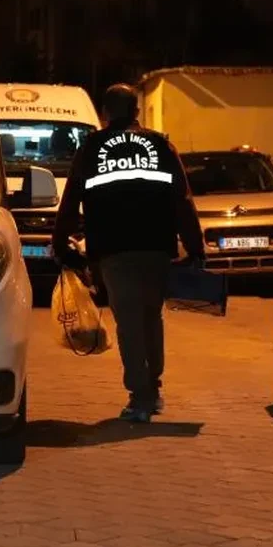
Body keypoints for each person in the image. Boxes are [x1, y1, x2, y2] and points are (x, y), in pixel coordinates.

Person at [52, 83, 205, 423]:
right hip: (156, 248)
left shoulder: (91, 148)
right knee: (151, 317)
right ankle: (152, 387)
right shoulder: (161, 145)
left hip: (113, 249)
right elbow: (183, 200)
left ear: (106, 113)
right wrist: (195, 248)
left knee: (129, 321)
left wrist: (60, 244)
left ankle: (140, 395)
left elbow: (70, 202)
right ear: (136, 111)